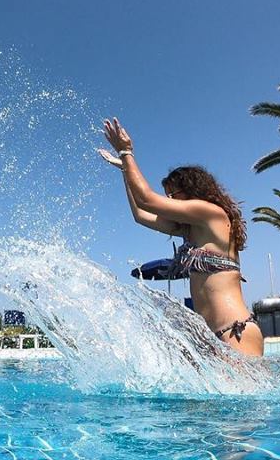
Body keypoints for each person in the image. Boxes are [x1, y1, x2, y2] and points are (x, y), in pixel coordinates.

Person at [98, 118, 263, 356]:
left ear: (194, 190)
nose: (171, 202)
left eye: (173, 194)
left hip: (235, 332)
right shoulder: (191, 230)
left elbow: (147, 200)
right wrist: (126, 169)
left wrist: (126, 152)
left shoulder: (211, 214)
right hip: (212, 340)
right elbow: (140, 214)